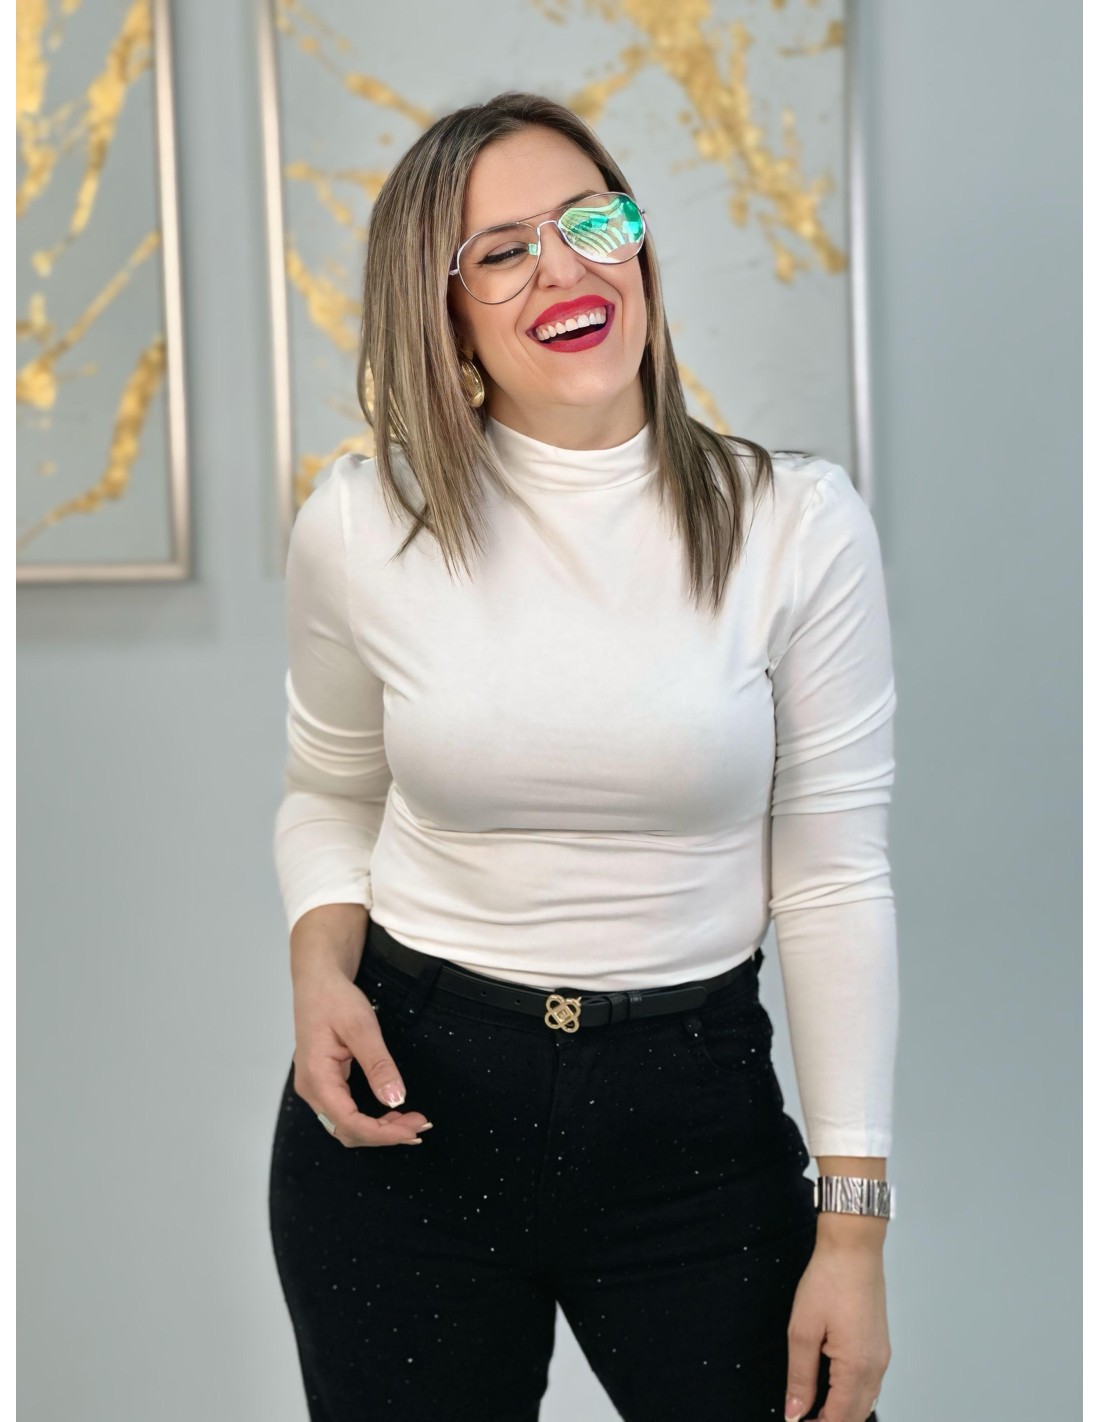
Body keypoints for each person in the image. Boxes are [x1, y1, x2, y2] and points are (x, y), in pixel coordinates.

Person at [268, 90, 896, 1422]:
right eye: (501, 251)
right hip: (412, 1108)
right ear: (443, 313)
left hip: (692, 1119)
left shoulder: (795, 524)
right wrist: (318, 968)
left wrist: (852, 1230)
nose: (565, 268)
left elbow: (835, 877)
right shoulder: (363, 521)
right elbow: (330, 791)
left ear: (639, 247)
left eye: (591, 222)